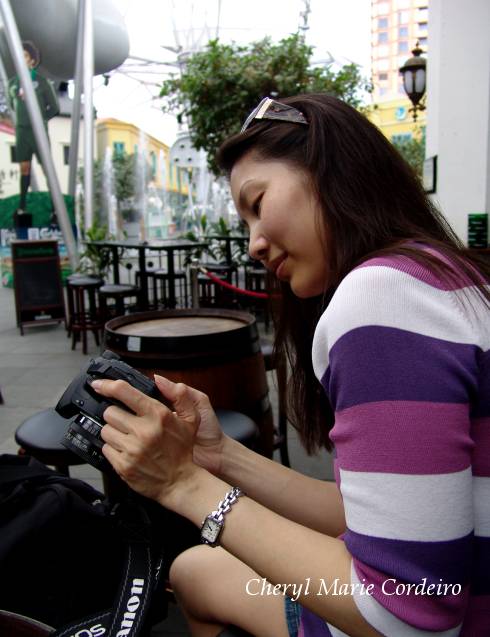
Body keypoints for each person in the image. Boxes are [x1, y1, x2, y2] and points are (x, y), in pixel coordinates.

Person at [91, 94, 490, 637]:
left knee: (192, 570)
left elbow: (410, 616)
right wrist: (220, 456)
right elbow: (374, 514)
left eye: (257, 203)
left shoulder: (382, 298)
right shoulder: (443, 273)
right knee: (199, 570)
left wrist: (184, 484)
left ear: (331, 170)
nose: (254, 244)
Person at [8, 40, 59, 214]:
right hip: (22, 131)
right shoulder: (13, 83)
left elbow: (54, 108)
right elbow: (12, 105)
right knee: (24, 167)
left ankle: (55, 208)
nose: (22, 59)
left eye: (25, 56)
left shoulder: (42, 81)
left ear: (32, 60)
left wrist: (40, 120)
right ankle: (22, 206)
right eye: (19, 56)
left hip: (38, 131)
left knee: (46, 168)